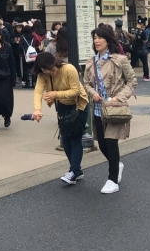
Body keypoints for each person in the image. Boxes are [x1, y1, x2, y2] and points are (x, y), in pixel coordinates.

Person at [83, 23, 137, 194]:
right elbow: (86, 83)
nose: (96, 41)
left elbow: (132, 81)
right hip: (98, 109)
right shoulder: (91, 61)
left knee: (111, 143)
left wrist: (118, 97)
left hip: (114, 107)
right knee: (103, 145)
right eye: (94, 38)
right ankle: (117, 164)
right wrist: (92, 93)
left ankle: (112, 179)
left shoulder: (119, 60)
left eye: (99, 38)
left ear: (108, 40)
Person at [32, 49, 88, 184]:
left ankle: (73, 172)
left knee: (75, 139)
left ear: (55, 63)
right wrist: (37, 110)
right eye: (46, 71)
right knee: (66, 140)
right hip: (62, 107)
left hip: (78, 106)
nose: (51, 73)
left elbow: (75, 91)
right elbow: (38, 91)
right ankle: (76, 171)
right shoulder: (42, 74)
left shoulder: (69, 69)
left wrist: (55, 94)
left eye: (52, 70)